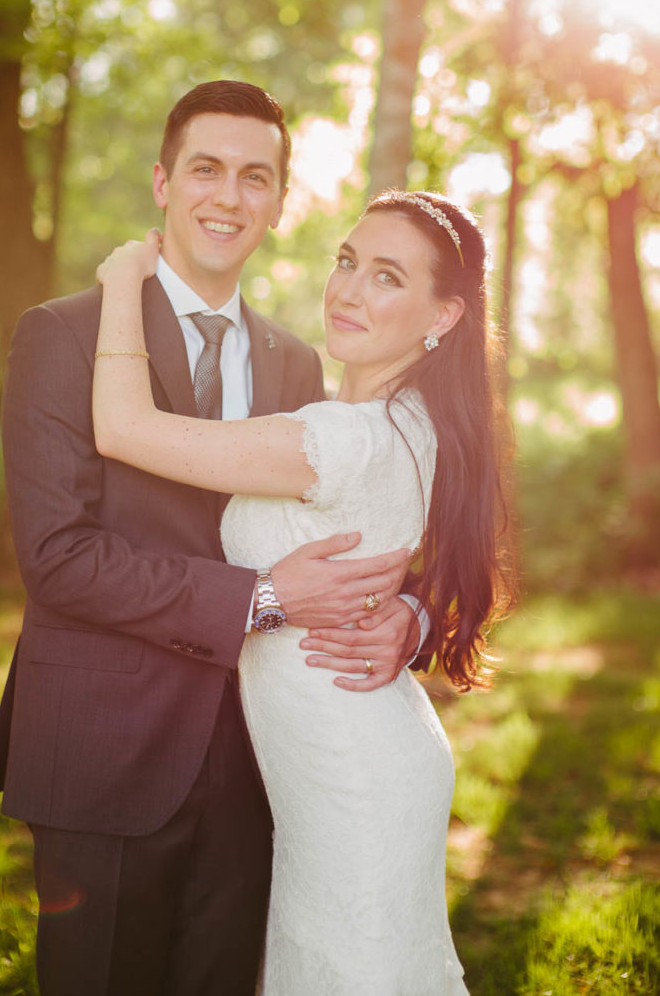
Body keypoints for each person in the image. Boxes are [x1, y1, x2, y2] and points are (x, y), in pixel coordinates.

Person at [0, 81, 423, 996]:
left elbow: (369, 504)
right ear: (163, 184)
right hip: (107, 748)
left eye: (255, 176)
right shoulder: (63, 336)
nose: (229, 195)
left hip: (261, 757)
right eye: (206, 169)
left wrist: (408, 610)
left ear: (280, 202)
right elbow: (57, 558)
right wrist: (260, 600)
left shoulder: (299, 362)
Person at [91, 188, 512, 996]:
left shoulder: (342, 440)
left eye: (387, 277)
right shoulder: (418, 420)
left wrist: (120, 282)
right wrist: (418, 611)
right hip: (351, 763)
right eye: (348, 261)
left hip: (351, 776)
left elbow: (122, 429)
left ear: (444, 316)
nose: (348, 289)